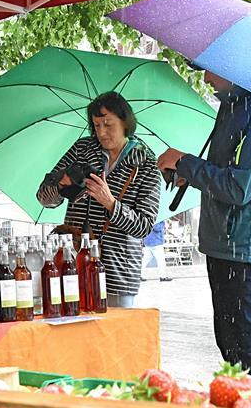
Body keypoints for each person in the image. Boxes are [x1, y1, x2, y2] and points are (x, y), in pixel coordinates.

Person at [156, 71, 251, 378]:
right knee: (228, 342)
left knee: (243, 343)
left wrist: (184, 161)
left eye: (208, 68)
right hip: (222, 240)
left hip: (243, 243)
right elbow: (223, 172)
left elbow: (239, 188)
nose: (204, 75)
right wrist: (193, 172)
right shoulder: (232, 105)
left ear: (232, 66)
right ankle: (240, 407)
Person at [38, 91, 160, 308]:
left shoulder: (146, 163)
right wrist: (61, 186)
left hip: (118, 268)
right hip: (73, 262)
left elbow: (144, 226)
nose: (101, 132)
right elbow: (44, 197)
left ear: (125, 122)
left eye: (108, 124)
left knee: (115, 338)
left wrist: (111, 203)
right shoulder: (82, 150)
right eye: (96, 125)